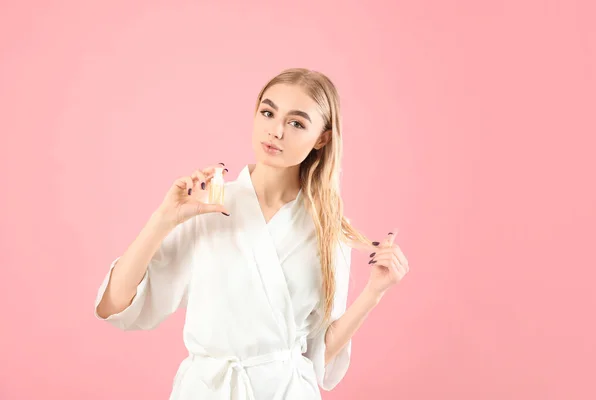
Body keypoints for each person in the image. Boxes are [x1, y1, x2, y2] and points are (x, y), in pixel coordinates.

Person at [94, 67, 410, 400]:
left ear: (322, 138)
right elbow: (116, 305)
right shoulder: (206, 206)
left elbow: (319, 356)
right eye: (268, 112)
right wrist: (163, 220)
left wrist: (374, 292)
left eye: (296, 123)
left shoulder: (327, 227)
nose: (276, 131)